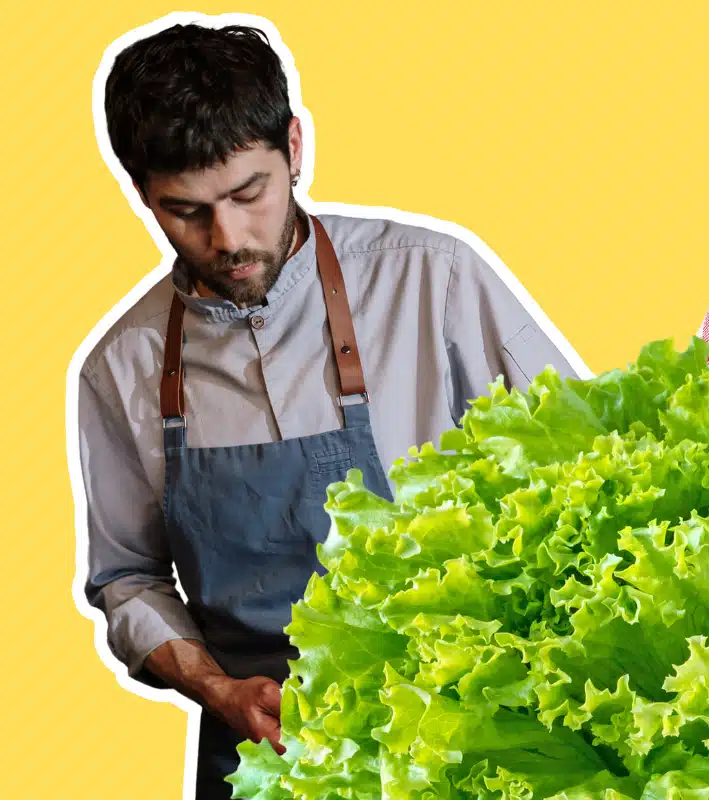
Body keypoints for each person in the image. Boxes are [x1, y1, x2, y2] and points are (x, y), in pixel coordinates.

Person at [77, 21, 582, 799]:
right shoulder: (124, 367)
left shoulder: (435, 282)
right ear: (142, 193)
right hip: (264, 764)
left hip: (470, 742)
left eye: (250, 193)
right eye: (186, 211)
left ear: (295, 146)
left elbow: (587, 464)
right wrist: (218, 689)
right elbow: (128, 581)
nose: (229, 237)